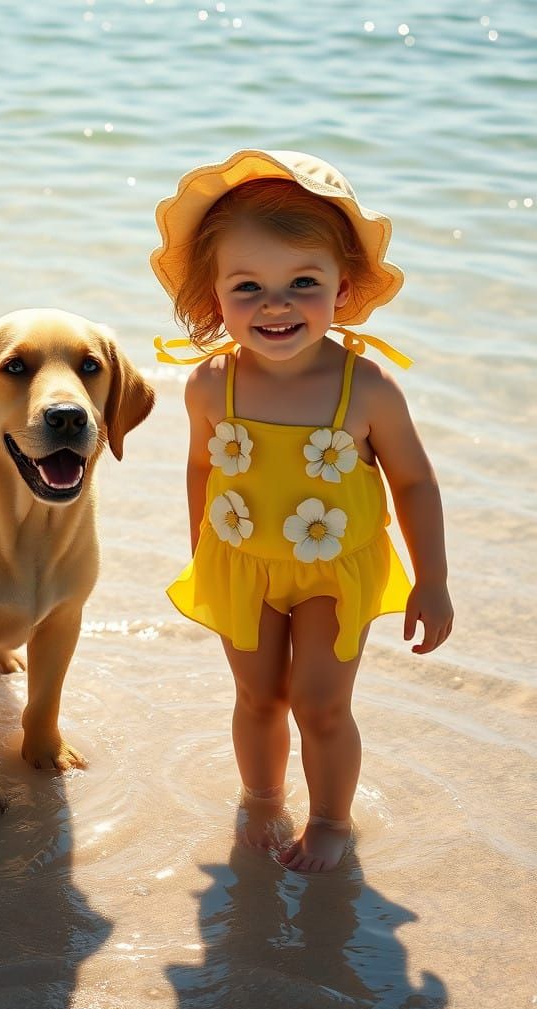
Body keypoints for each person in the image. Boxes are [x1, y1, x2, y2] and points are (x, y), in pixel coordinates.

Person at [151, 150, 453, 871]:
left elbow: (413, 482)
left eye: (303, 284)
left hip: (333, 572)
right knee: (257, 696)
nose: (276, 305)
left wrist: (431, 579)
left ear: (343, 289)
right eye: (248, 286)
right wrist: (204, 553)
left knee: (318, 703)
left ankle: (330, 820)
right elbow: (203, 467)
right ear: (212, 296)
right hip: (242, 566)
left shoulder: (366, 388)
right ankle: (260, 795)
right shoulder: (209, 386)